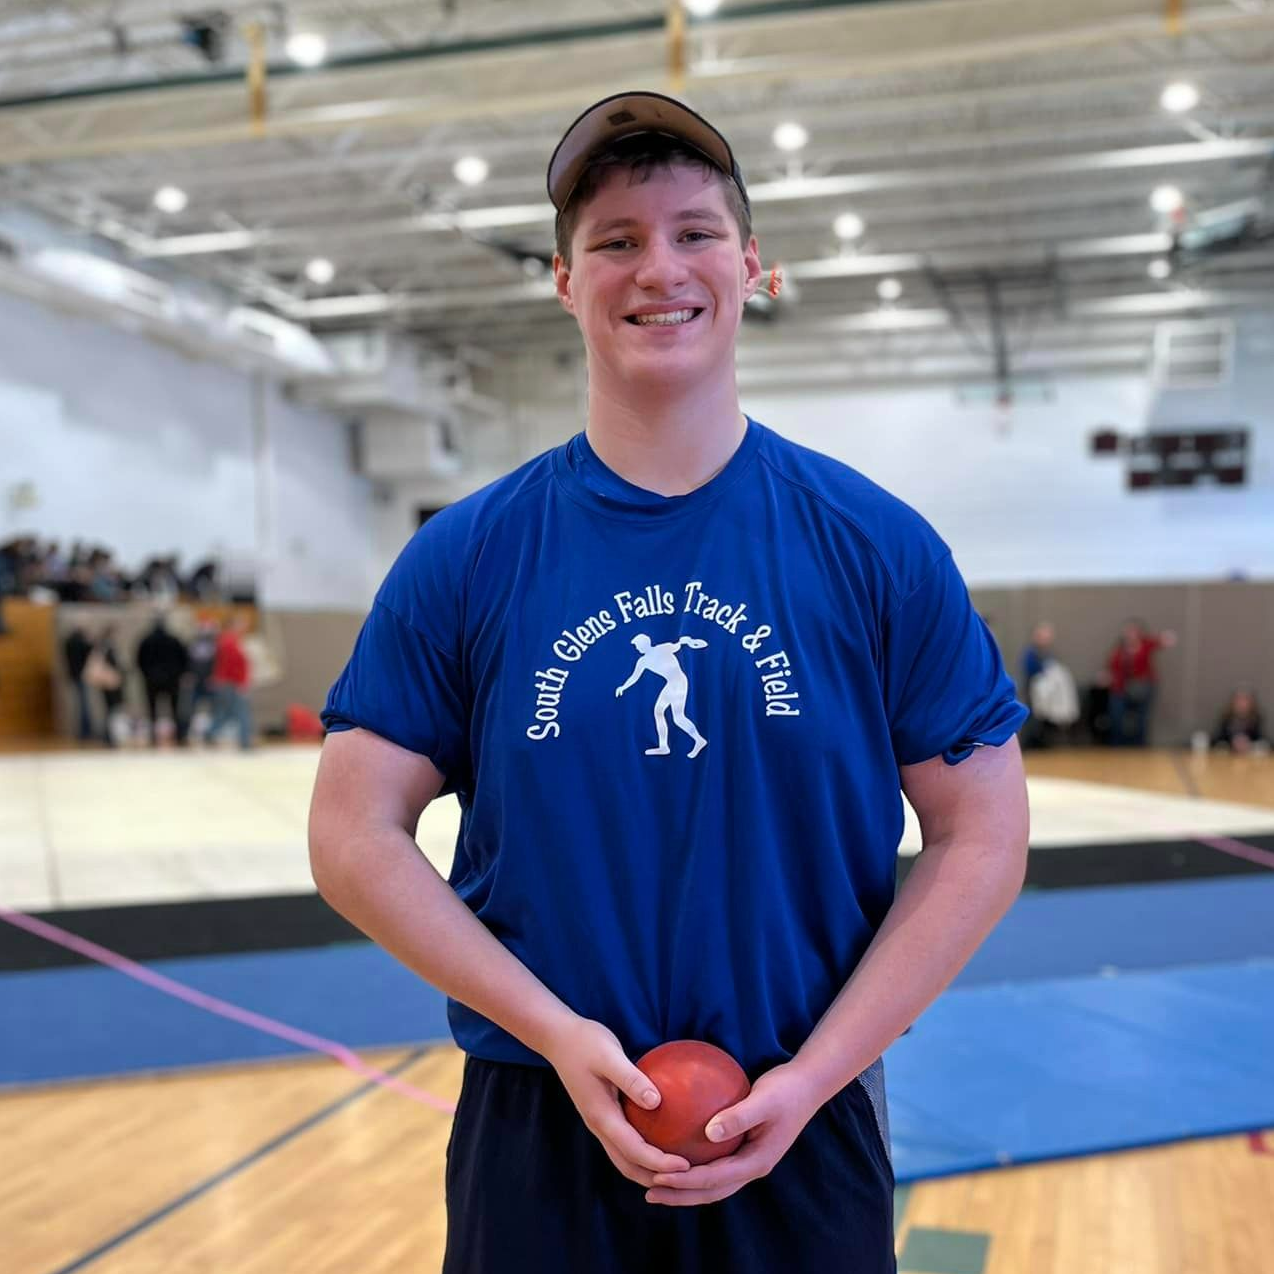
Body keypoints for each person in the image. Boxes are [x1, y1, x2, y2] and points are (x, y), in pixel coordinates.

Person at [310, 91, 1030, 1273]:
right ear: (562, 280)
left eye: (694, 232)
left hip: (798, 1115)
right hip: (536, 1123)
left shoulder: (875, 544)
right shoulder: (468, 553)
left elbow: (980, 831)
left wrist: (816, 1070)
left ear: (752, 266)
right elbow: (351, 831)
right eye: (614, 240)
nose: (659, 267)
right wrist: (551, 1028)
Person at [1106, 618, 1177, 747]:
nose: (1130, 634)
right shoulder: (1119, 649)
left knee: (1142, 718)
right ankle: (1117, 745)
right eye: (1127, 631)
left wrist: (1166, 639)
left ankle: (1140, 745)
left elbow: (1159, 642)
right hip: (1123, 688)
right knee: (1117, 715)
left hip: (1144, 687)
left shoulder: (1145, 644)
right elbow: (1112, 666)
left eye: (1133, 631)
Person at [135, 611, 191, 745]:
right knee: (175, 709)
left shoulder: (146, 640)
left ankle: (153, 738)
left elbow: (139, 661)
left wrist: (147, 674)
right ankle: (179, 737)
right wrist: (178, 674)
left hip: (152, 680)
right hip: (172, 680)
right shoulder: (174, 640)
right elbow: (184, 660)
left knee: (152, 710)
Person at [206, 614, 253, 749]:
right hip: (230, 683)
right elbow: (229, 664)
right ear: (233, 625)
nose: (244, 627)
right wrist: (241, 683)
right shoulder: (228, 641)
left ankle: (210, 733)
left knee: (226, 712)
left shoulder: (232, 640)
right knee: (240, 711)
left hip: (229, 682)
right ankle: (245, 741)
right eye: (241, 623)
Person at [63, 624, 95, 742]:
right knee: (84, 705)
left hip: (74, 675)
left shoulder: (68, 642)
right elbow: (90, 649)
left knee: (81, 704)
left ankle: (84, 730)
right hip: (80, 675)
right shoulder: (80, 643)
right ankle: (85, 731)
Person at [1211, 687, 1265, 753]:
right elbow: (1217, 740)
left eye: (1245, 700)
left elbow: (1262, 740)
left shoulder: (1256, 719)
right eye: (1239, 700)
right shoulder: (1226, 718)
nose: (1242, 704)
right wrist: (1232, 743)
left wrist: (1249, 744)